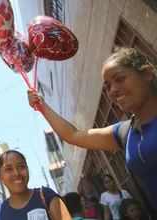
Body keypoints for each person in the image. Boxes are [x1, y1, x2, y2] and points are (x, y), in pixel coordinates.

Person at [27, 47, 157, 211]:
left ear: (147, 73)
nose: (113, 91)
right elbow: (73, 135)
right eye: (108, 86)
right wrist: (42, 106)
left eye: (120, 78)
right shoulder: (125, 133)